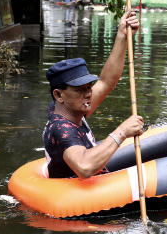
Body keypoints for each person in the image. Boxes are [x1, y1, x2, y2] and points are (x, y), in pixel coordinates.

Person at [43, 11, 144, 178]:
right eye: (79, 89)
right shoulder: (61, 129)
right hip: (77, 199)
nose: (88, 93)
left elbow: (106, 82)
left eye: (89, 87)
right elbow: (84, 167)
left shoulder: (70, 109)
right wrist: (122, 131)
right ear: (59, 95)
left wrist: (122, 36)